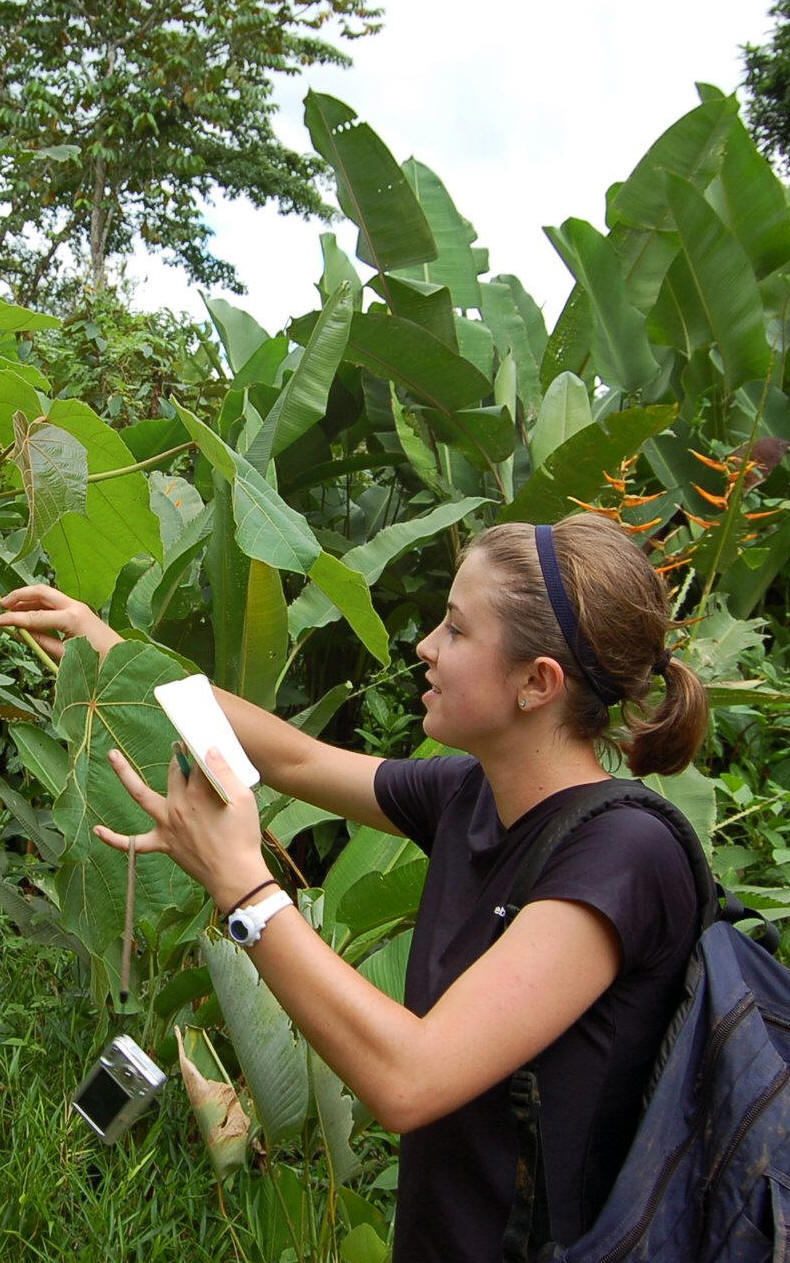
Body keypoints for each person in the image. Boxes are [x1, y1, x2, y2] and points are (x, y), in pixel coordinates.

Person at [0, 513, 709, 1263]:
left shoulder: (624, 855)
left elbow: (410, 1077)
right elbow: (299, 761)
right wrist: (111, 655)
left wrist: (244, 889)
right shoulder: (475, 794)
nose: (425, 646)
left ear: (537, 683)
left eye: (457, 631)